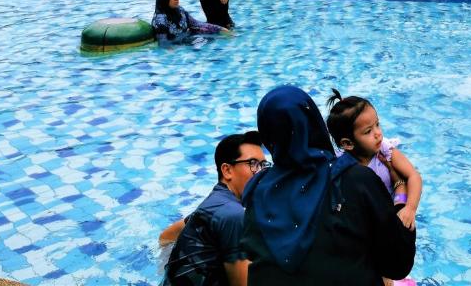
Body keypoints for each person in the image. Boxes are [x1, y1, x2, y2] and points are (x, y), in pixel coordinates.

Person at [241, 86, 416, 286]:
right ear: (314, 122)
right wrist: (401, 193)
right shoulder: (355, 180)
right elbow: (397, 263)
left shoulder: (257, 193)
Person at [163, 131, 268, 286]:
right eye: (253, 164)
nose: (261, 172)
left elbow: (166, 237)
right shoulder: (233, 214)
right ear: (227, 170)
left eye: (264, 165)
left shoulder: (215, 203)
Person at [325, 90, 422, 232]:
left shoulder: (385, 150)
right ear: (348, 143)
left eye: (377, 124)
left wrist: (410, 208)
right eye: (368, 131)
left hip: (391, 213)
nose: (378, 133)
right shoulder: (341, 165)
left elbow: (414, 176)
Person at [151, 0, 224, 43]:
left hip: (187, 39)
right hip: (176, 46)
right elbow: (164, 43)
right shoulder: (160, 20)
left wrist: (220, 29)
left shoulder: (180, 10)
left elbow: (196, 23)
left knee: (214, 38)